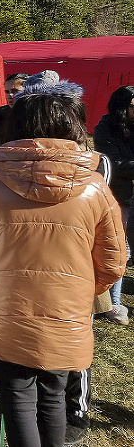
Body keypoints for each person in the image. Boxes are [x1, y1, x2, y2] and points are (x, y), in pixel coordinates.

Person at [0, 86, 126, 447]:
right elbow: (113, 262)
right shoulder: (95, 186)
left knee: (16, 397)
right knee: (55, 397)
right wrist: (79, 292)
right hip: (66, 312)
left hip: (1, 308)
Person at [93, 84, 134, 326]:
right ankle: (114, 303)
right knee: (117, 251)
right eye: (132, 106)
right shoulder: (105, 128)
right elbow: (113, 163)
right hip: (117, 197)